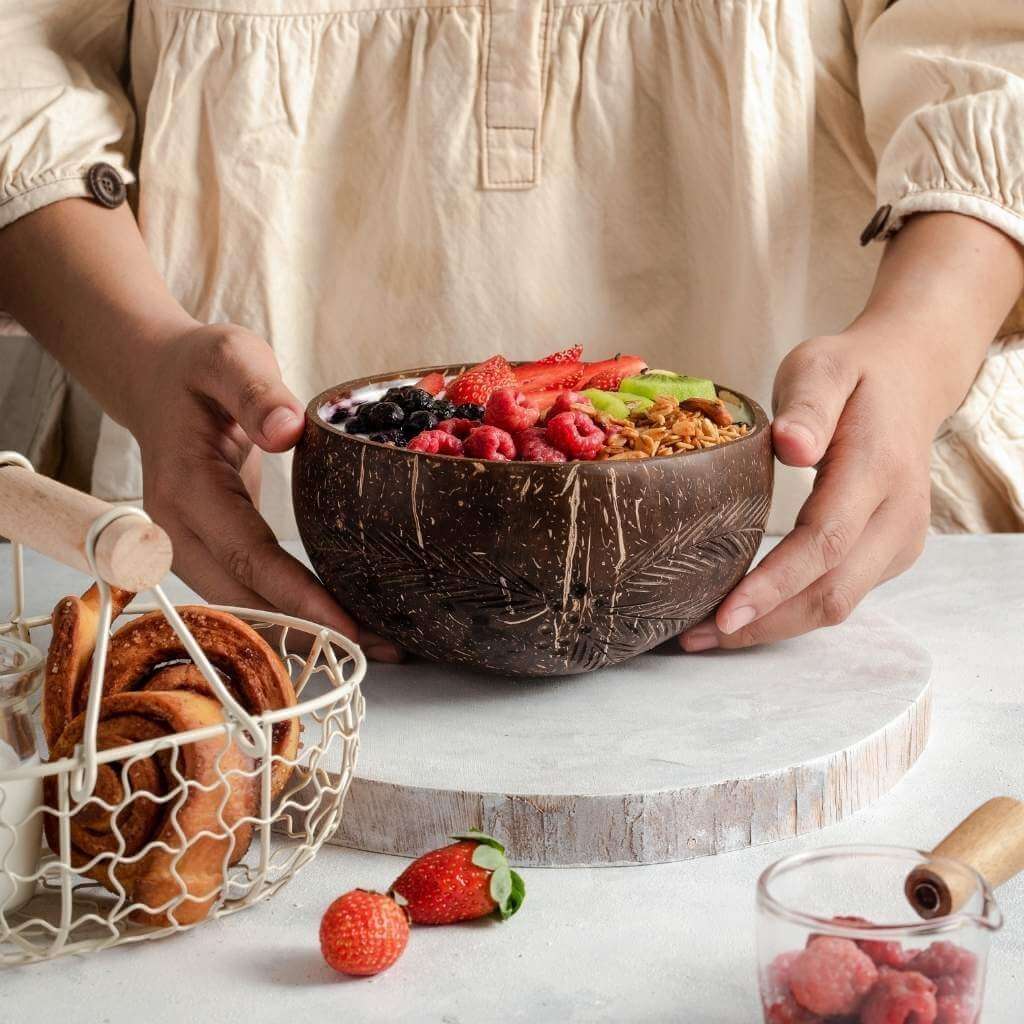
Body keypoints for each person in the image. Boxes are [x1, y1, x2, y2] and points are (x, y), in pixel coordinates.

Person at [1, 0, 1022, 660]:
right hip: (219, 572)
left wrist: (919, 344)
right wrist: (137, 350)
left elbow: (988, 52)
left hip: (812, 575)